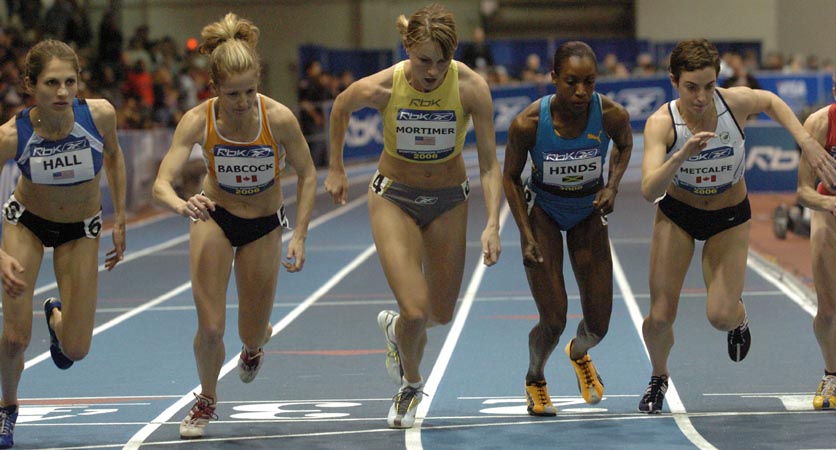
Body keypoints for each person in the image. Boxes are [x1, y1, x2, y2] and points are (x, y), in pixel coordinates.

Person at [324, 3, 502, 429]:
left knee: (440, 313)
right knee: (416, 310)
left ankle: (395, 331)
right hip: (394, 198)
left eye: (442, 61)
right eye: (424, 60)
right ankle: (410, 384)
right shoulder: (382, 86)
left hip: (449, 200)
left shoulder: (471, 88)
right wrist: (336, 166)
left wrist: (493, 222)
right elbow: (340, 107)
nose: (433, 71)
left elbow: (491, 165)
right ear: (407, 49)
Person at [637, 38, 836, 414]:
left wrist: (806, 142)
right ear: (674, 81)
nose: (700, 97)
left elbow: (772, 102)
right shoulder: (662, 123)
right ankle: (658, 377)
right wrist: (680, 155)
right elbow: (649, 191)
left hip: (729, 216)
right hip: (678, 213)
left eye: (709, 86)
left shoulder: (734, 103)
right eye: (691, 87)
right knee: (660, 317)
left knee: (720, 315)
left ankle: (739, 319)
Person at [152, 13, 316, 439]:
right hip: (215, 218)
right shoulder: (198, 120)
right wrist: (181, 203)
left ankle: (255, 343)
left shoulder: (277, 118)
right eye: (232, 94)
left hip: (263, 224)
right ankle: (206, 399)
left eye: (249, 91)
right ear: (214, 89)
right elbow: (160, 184)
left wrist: (298, 234)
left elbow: (309, 173)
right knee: (210, 326)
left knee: (249, 329)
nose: (242, 102)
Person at [0, 39, 127, 448]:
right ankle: (7, 407)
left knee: (77, 349)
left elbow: (115, 157)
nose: (62, 93)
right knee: (16, 337)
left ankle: (55, 318)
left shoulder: (99, 115)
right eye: (52, 83)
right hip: (27, 226)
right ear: (30, 85)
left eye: (70, 82)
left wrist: (120, 217)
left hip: (80, 229)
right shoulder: (10, 135)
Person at [503, 41, 632, 416]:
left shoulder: (611, 115)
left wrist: (612, 185)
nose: (580, 92)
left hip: (588, 212)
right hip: (543, 211)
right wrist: (525, 235)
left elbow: (624, 145)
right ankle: (535, 378)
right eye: (571, 82)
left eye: (589, 82)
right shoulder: (526, 124)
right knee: (554, 319)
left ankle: (579, 354)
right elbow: (510, 177)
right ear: (553, 77)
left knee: (599, 325)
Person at [795, 70, 836, 410]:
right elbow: (803, 191)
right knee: (828, 309)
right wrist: (830, 203)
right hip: (828, 211)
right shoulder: (819, 124)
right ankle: (832, 373)